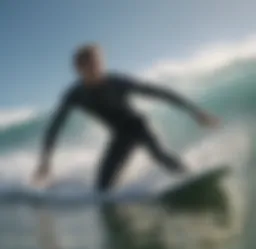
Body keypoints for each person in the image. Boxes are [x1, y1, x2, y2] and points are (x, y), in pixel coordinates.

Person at [33, 44, 218, 191]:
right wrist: (45, 161)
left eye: (99, 63)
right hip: (119, 136)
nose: (97, 68)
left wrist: (194, 111)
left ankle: (189, 177)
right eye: (90, 65)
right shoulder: (74, 94)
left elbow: (158, 92)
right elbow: (55, 127)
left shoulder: (116, 82)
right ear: (79, 69)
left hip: (137, 125)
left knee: (158, 154)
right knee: (102, 188)